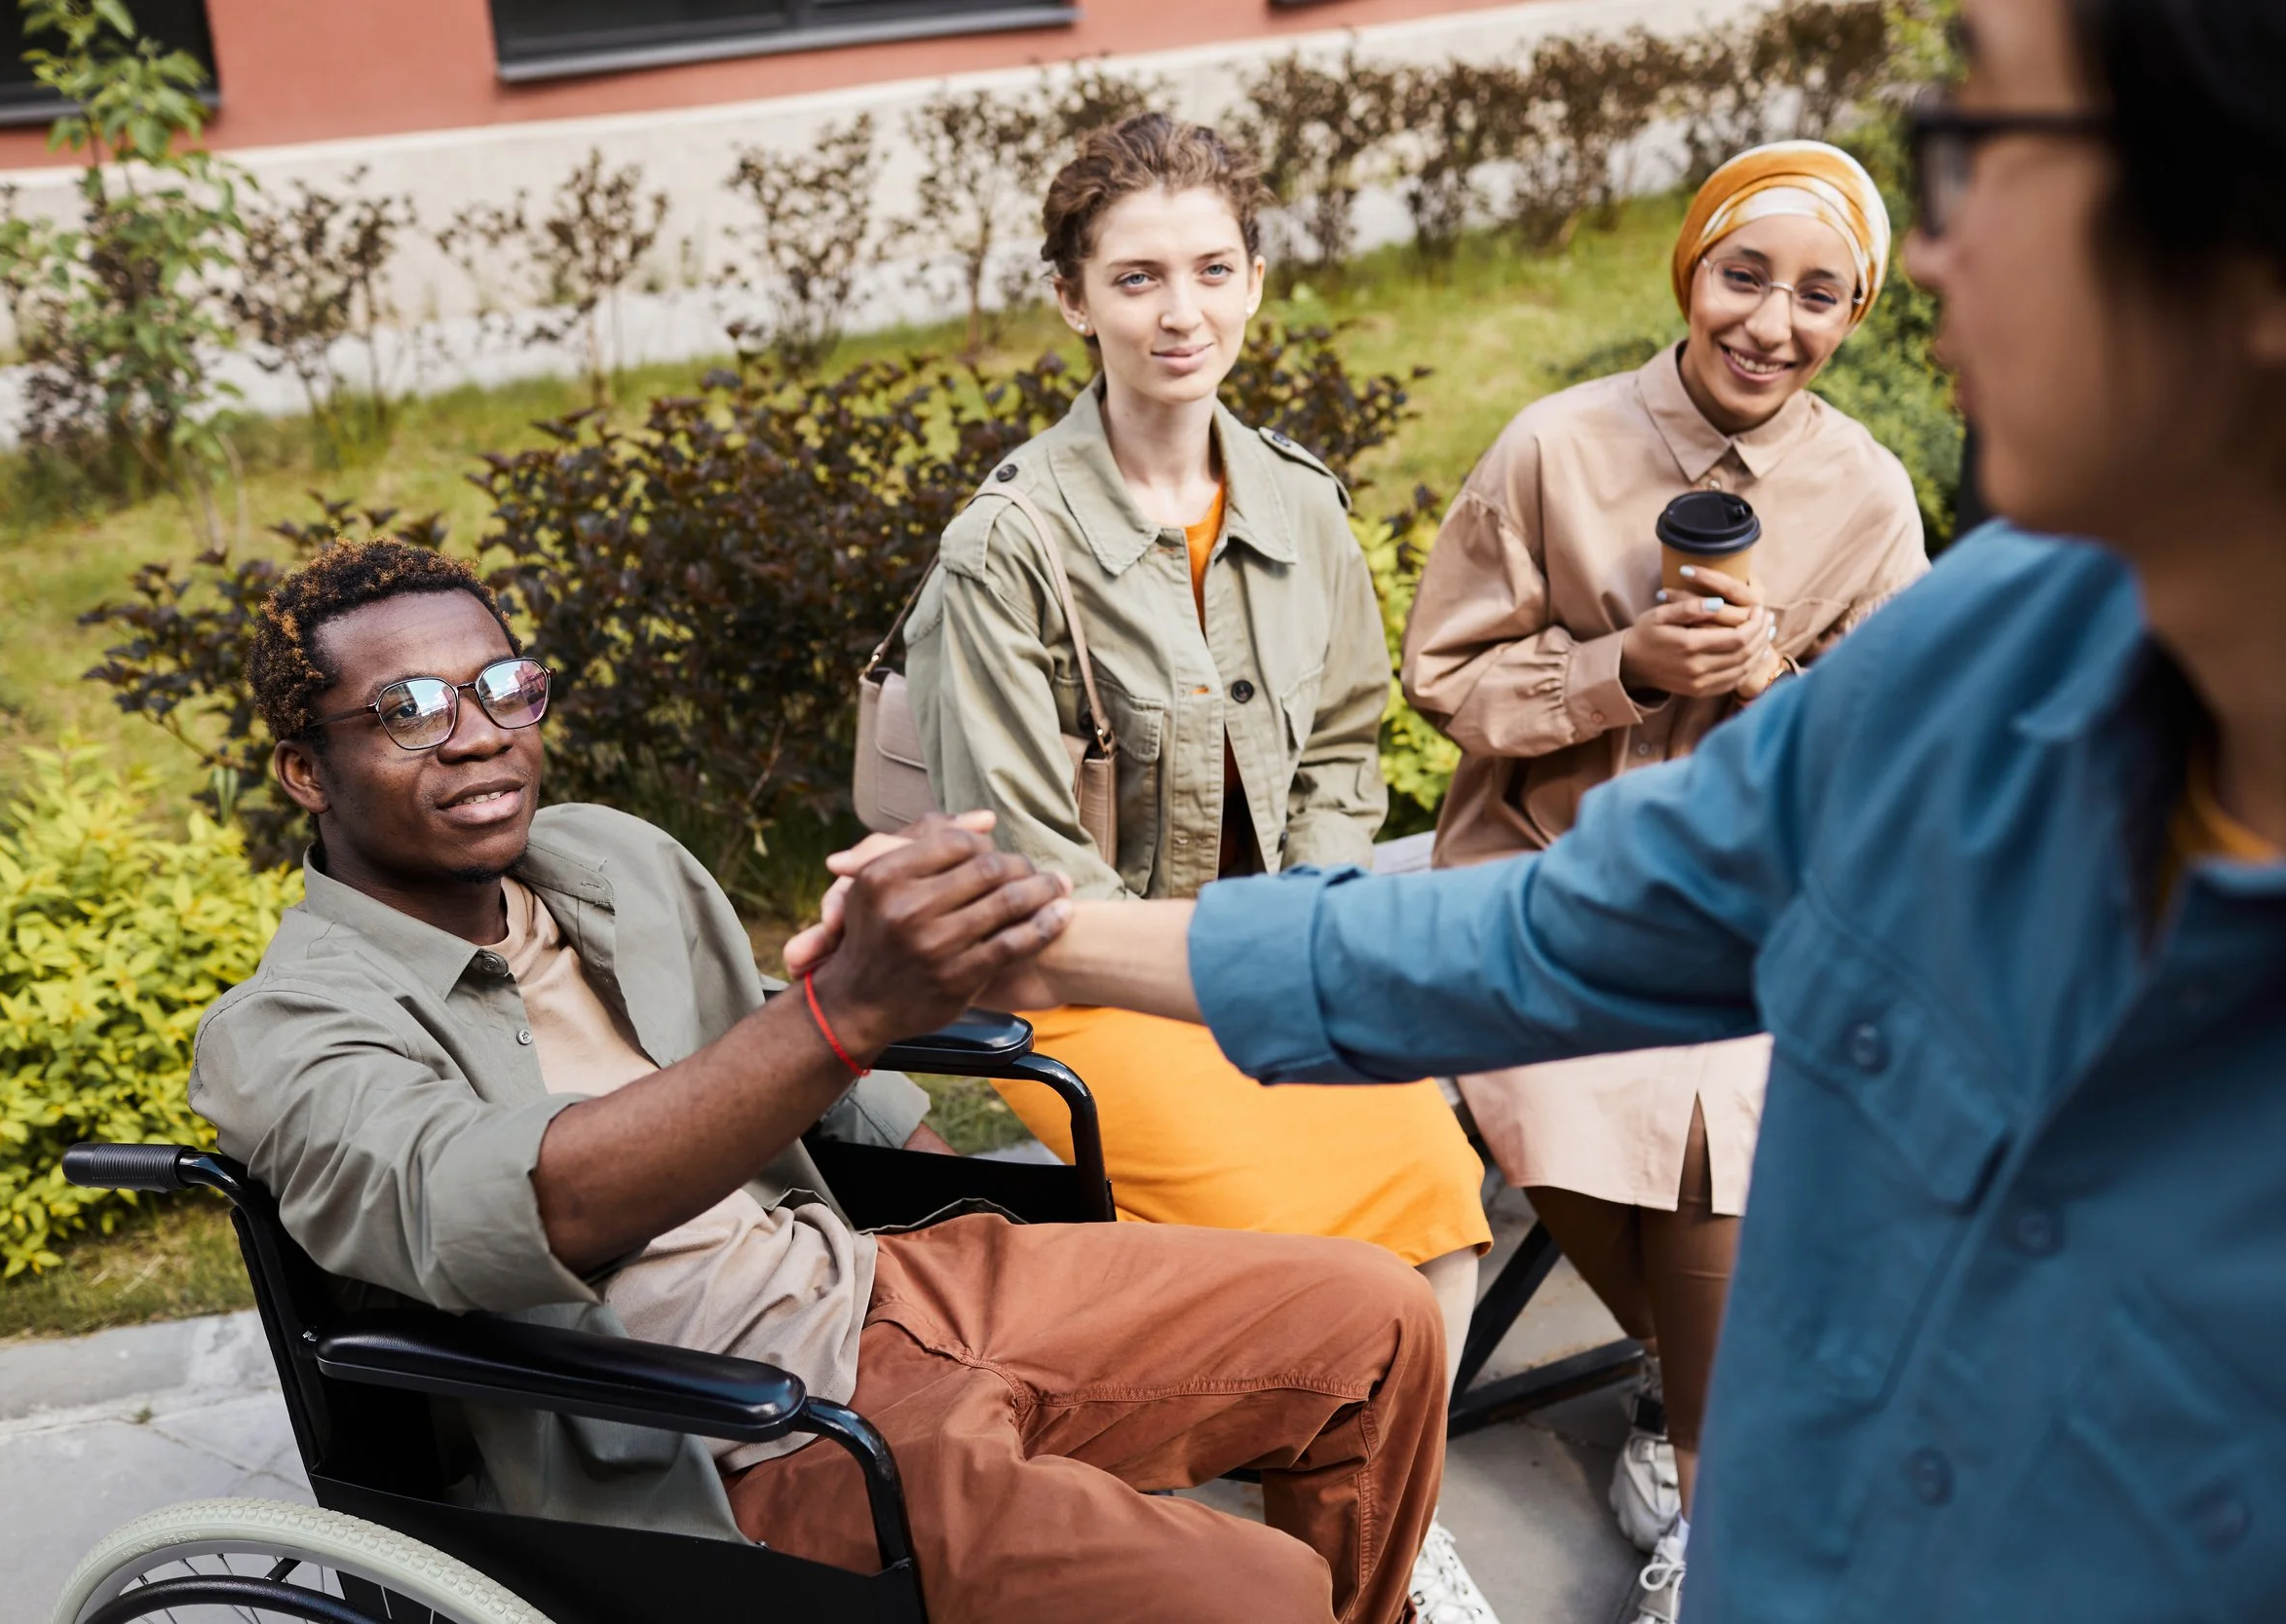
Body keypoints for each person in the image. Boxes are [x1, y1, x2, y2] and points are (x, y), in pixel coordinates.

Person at [795, 0, 2286, 1613]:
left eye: (1971, 152)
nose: (1915, 269)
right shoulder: (1985, 645)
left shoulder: (1866, 532)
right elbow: (1562, 919)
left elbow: (1355, 756)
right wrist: (1042, 938)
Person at [190, 541, 1452, 1624]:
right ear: (309, 768)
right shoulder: (289, 1030)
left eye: (503, 687)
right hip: (721, 1440)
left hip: (871, 1283)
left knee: (1375, 1318)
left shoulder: (611, 858)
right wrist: (842, 1013)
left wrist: (962, 1196)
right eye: (409, 708)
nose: (478, 736)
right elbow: (506, 1210)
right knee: (1257, 1593)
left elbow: (779, 1060)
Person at [899, 122, 1493, 1615]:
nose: (1183, 311)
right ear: (1071, 299)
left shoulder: (1298, 499)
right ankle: (1331, 1565)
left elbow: (1352, 739)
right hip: (1091, 978)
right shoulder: (1008, 546)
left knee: (1434, 1179)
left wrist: (1300, 921)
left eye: (1214, 270)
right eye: (1139, 275)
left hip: (1275, 949)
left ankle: (1381, 1537)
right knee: (1281, 1223)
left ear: (1257, 278)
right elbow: (1029, 864)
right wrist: (1217, 974)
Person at [1397, 139, 1927, 1613]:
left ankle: (1712, 1511)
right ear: (1691, 269)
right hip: (1535, 870)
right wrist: (1617, 669)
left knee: (1725, 1118)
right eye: (1744, 273)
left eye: (1819, 295)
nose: (1772, 321)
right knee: (1590, 1085)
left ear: (1856, 314)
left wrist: (1778, 691)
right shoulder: (1557, 447)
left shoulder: (1868, 496)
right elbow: (1441, 673)